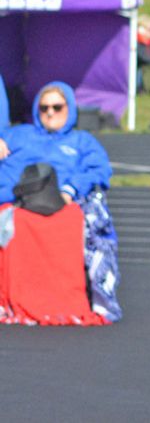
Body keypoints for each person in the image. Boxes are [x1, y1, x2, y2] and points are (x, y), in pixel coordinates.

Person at [0, 82, 121, 321]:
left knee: (88, 222)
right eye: (44, 108)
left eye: (57, 107)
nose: (50, 113)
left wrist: (70, 189)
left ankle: (90, 298)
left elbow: (99, 170)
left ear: (70, 108)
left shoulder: (81, 141)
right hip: (15, 204)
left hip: (62, 203)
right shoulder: (18, 135)